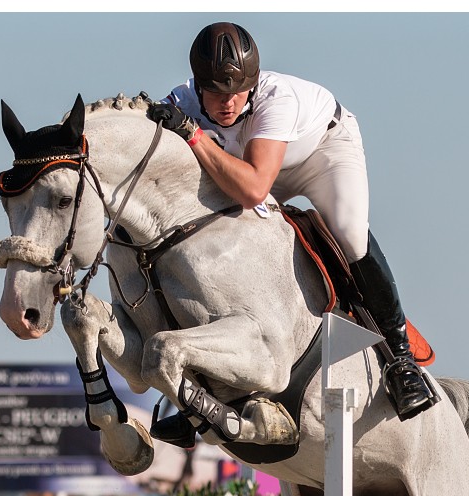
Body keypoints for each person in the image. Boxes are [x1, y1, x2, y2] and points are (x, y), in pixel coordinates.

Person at [148, 22, 434, 443]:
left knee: (350, 234)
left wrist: (191, 134)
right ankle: (199, 394)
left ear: (253, 82)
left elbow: (252, 188)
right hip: (252, 165)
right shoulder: (181, 99)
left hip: (322, 152)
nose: (227, 103)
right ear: (198, 84)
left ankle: (401, 360)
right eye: (216, 93)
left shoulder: (274, 99)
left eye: (236, 92)